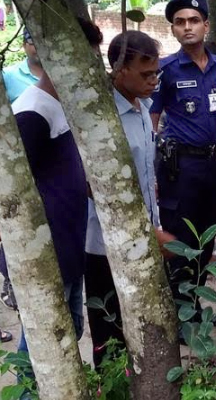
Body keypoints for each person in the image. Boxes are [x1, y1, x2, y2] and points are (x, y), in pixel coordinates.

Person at [11, 17, 104, 358]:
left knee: (69, 331)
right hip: (46, 252)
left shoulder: (61, 107)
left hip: (68, 244)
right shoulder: (32, 113)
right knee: (43, 346)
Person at [85, 30, 176, 366]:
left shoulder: (144, 110)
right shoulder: (101, 117)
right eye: (146, 73)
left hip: (145, 236)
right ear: (119, 69)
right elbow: (93, 184)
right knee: (108, 331)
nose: (154, 80)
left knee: (142, 323)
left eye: (157, 73)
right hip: (105, 244)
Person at [151, 0, 216, 327]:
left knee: (208, 238)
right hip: (179, 168)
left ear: (206, 25)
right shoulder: (165, 70)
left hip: (213, 164)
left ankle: (194, 303)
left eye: (194, 20)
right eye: (180, 21)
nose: (187, 26)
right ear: (173, 29)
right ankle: (183, 316)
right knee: (180, 239)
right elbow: (150, 121)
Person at [1, 30, 44, 310]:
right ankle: (12, 279)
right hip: (19, 163)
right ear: (24, 44)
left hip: (51, 162)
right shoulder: (10, 76)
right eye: (30, 41)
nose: (35, 46)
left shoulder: (59, 74)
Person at [2, 30, 43, 103]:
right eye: (32, 41)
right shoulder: (7, 76)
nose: (40, 45)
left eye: (44, 41)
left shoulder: (65, 72)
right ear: (24, 45)